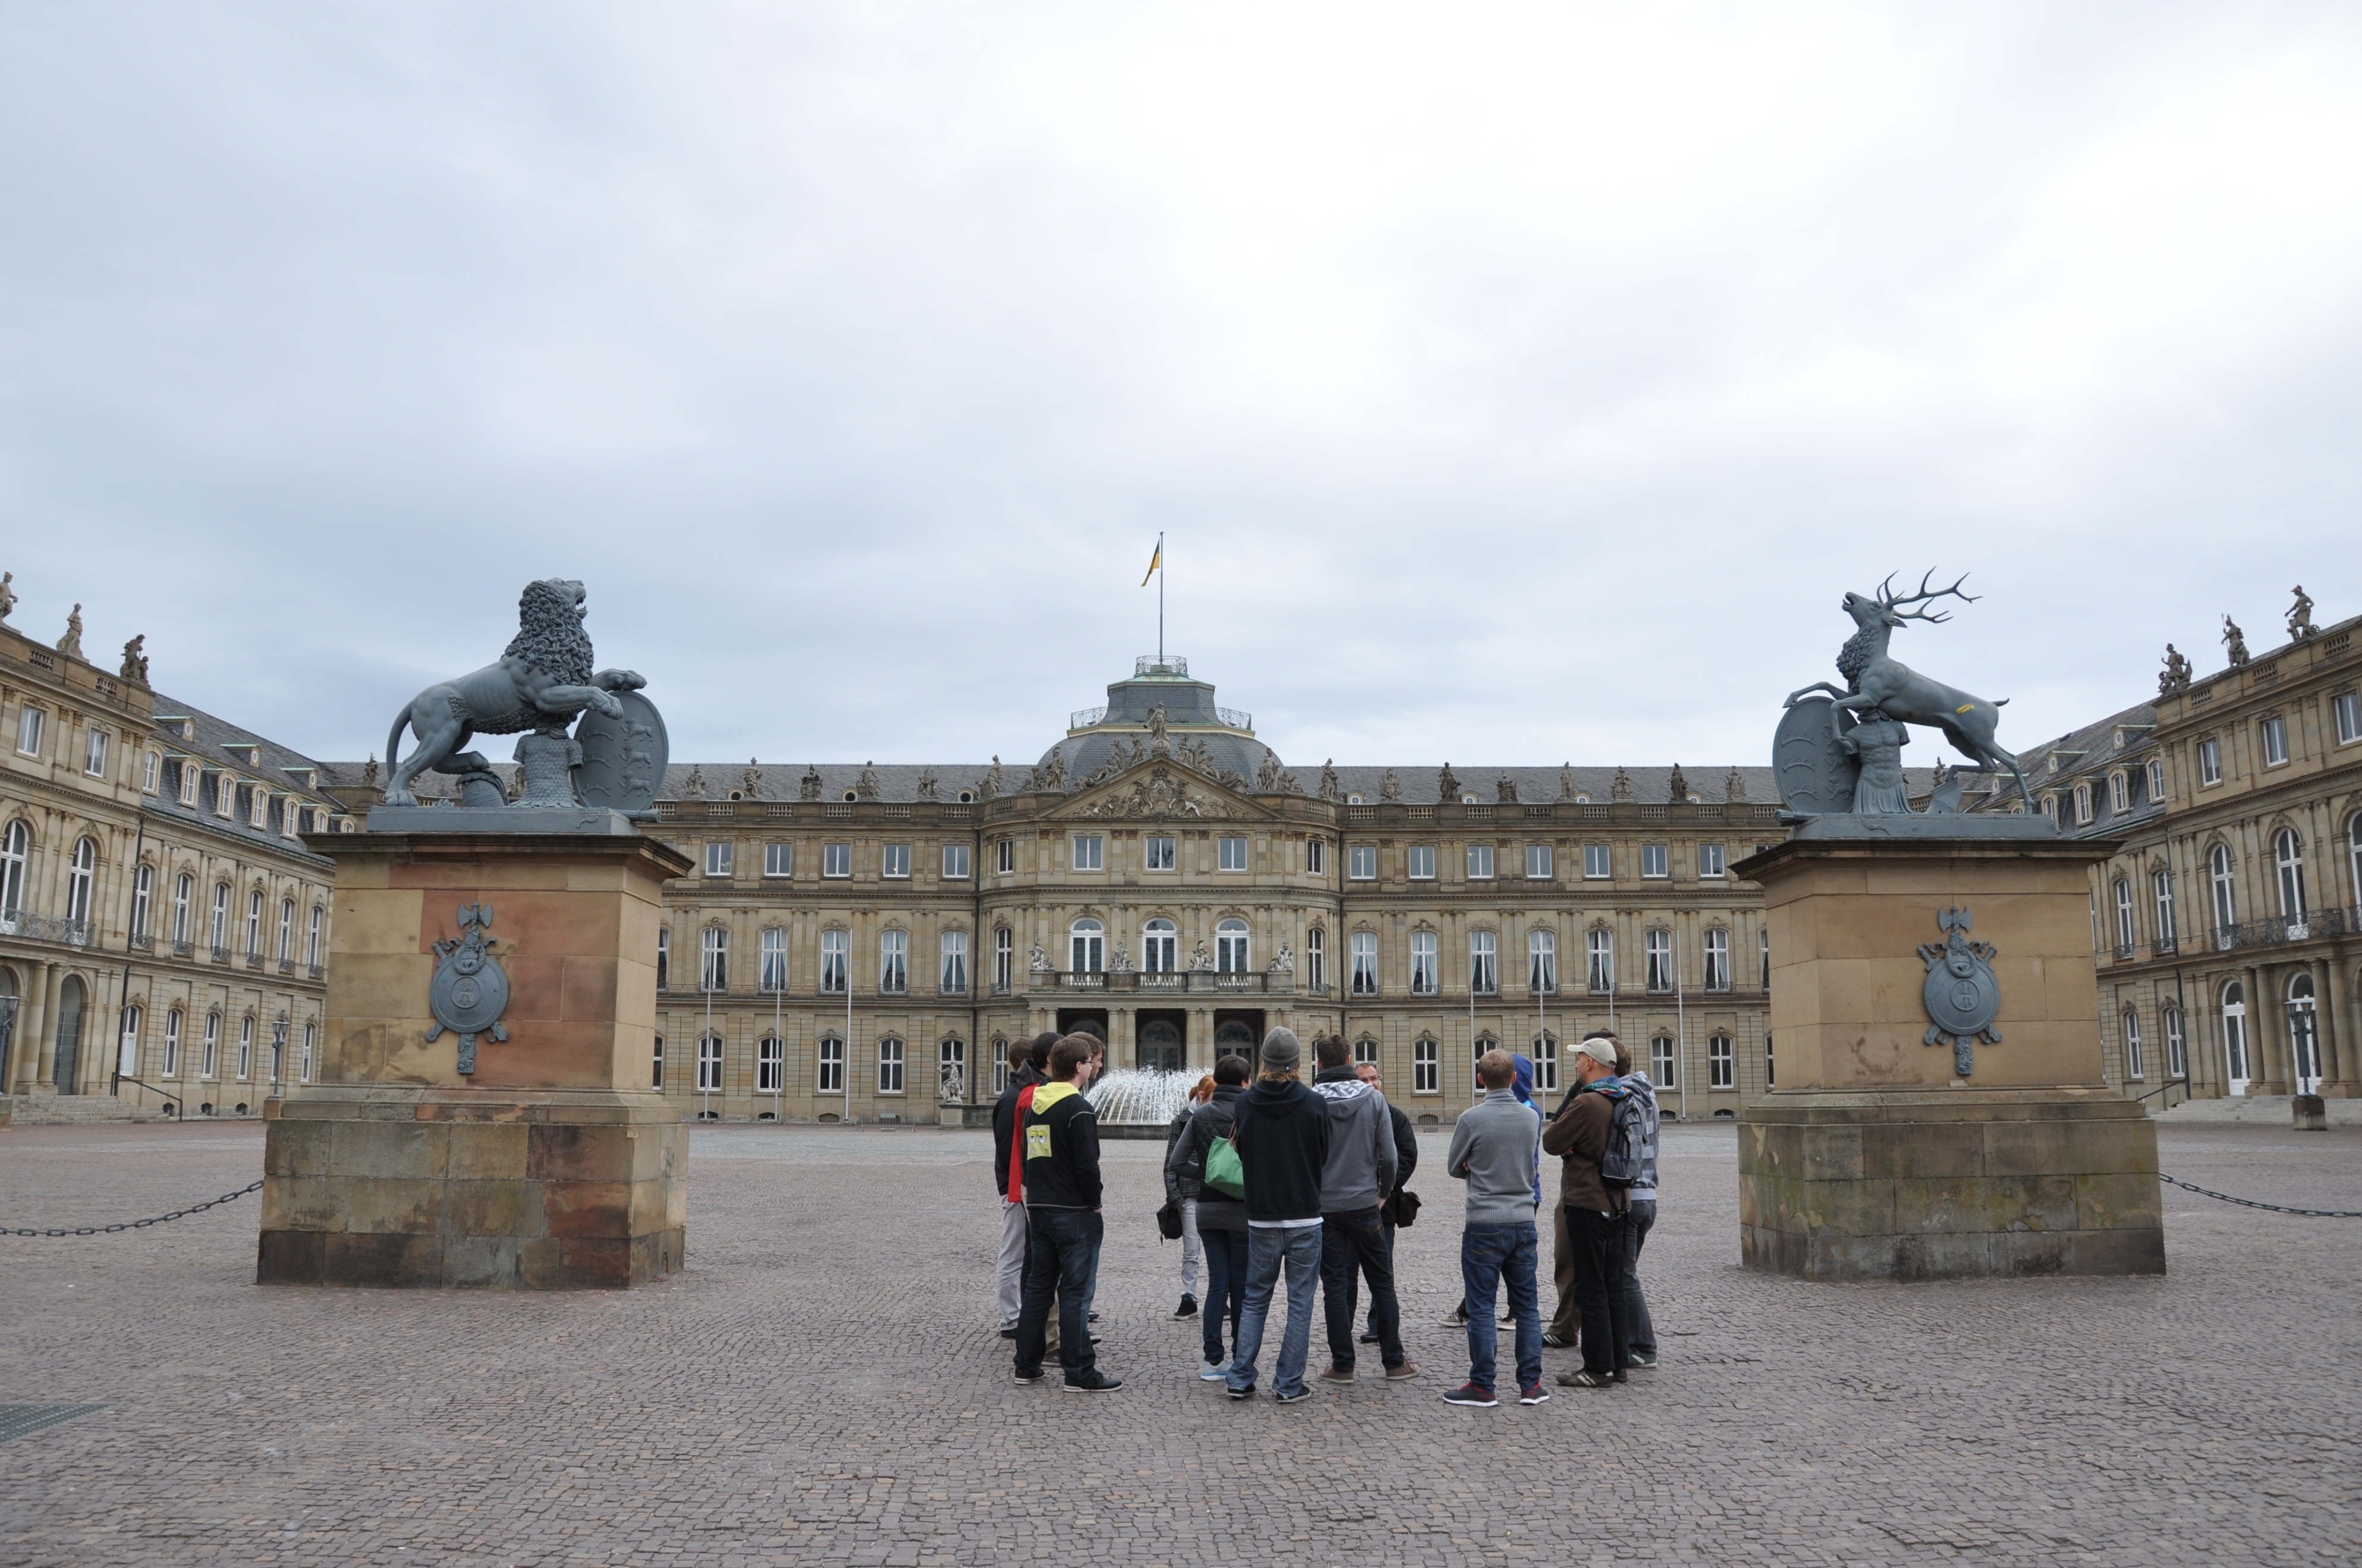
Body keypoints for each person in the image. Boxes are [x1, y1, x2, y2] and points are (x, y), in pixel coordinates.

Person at [1224, 1027, 1331, 1402]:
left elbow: (1241, 1150)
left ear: (1264, 1062)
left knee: (1255, 1298)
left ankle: (1240, 1377)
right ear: (1298, 1062)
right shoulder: (1315, 1103)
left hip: (1262, 1216)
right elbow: (1324, 1154)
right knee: (1300, 1303)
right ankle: (1288, 1384)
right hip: (1304, 1215)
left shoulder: (1245, 1103)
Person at [1011, 1035, 1121, 1393]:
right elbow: (1088, 1166)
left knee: (1038, 1288)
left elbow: (1031, 1157)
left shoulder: (1036, 1105)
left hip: (1040, 1208)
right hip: (1074, 1211)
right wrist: (1095, 1202)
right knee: (1075, 1293)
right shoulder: (1078, 1108)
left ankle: (1026, 1365)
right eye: (1090, 1061)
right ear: (1079, 1067)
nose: (1093, 1066)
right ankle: (1079, 1372)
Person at [1442, 1049, 1547, 1408]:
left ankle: (1483, 1385)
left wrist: (1476, 1165)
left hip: (1484, 1221)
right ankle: (1531, 1385)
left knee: (1482, 1307)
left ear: (1480, 1079)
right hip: (1523, 1219)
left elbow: (1454, 1166)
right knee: (1528, 1307)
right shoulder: (1531, 1117)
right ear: (1514, 1079)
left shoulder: (1471, 1119)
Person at [1309, 1035, 1414, 1383]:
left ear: (1319, 1063)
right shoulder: (1373, 1099)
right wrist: (1382, 1194)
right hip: (1366, 1206)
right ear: (1349, 1061)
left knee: (1336, 1287)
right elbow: (1390, 1157)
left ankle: (1342, 1366)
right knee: (1382, 1283)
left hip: (1325, 1209)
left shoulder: (1311, 1101)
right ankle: (1394, 1362)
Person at [1543, 1036, 1631, 1389]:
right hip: (1619, 1201)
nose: (1576, 1063)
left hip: (1588, 1201)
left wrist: (1570, 1143)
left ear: (1592, 1063)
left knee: (1591, 1287)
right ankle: (1619, 1363)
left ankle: (1596, 1369)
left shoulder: (1587, 1101)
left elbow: (1551, 1141)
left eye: (1579, 1058)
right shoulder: (1624, 1097)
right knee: (1614, 1286)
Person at [1168, 1053, 1251, 1380]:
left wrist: (1208, 1175)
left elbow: (1177, 1163)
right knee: (1240, 1286)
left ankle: (1213, 1361)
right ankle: (1241, 1359)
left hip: (1208, 1208)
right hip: (1243, 1210)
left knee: (1217, 1283)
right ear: (1244, 1082)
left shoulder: (1200, 1114)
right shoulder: (1251, 1112)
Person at [1606, 1041, 1661, 1372]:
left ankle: (1642, 1347)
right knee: (1623, 1273)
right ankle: (1625, 1341)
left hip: (1631, 1194)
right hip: (1648, 1194)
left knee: (1625, 1275)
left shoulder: (1622, 1097)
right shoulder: (1647, 1095)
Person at [1355, 1061, 1417, 1346]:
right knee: (1346, 1270)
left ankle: (1378, 1325)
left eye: (1374, 1078)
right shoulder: (1350, 1114)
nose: (1370, 1084)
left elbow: (1407, 1157)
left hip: (1384, 1206)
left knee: (1382, 1269)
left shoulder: (1395, 1117)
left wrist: (1384, 1188)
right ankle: (1343, 1324)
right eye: (1363, 1080)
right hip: (1351, 1204)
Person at [991, 1035, 1048, 1338]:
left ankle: (1022, 1312)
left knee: (1025, 1254)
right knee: (1013, 1254)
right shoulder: (1013, 1098)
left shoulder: (1021, 1093)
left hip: (1022, 1185)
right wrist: (1016, 1185)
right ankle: (1010, 1319)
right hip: (1015, 1187)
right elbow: (1007, 1150)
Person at [1163, 1073, 1215, 1319]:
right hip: (1190, 1197)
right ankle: (1189, 1296)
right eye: (1215, 1096)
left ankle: (1219, 1296)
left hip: (1215, 1194)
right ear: (1203, 1096)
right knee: (1192, 1251)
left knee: (1216, 1251)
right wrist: (1175, 1197)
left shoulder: (1221, 1117)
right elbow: (1170, 1162)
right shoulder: (1182, 1121)